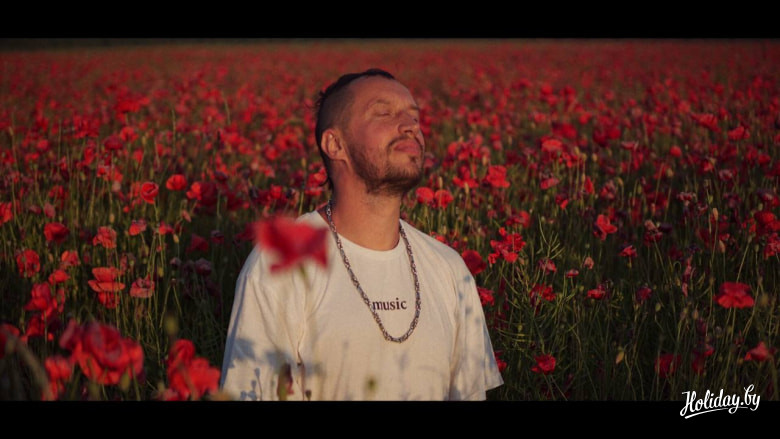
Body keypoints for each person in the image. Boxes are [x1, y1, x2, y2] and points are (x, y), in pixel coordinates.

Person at [220, 68, 503, 400]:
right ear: (335, 144)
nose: (410, 126)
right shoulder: (283, 261)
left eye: (414, 116)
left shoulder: (449, 268)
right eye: (384, 113)